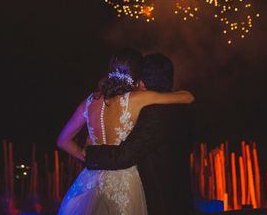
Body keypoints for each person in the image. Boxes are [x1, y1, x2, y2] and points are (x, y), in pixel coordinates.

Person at [56, 49, 194, 215]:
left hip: (90, 180)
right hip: (124, 181)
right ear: (137, 76)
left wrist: (86, 154)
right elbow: (186, 97)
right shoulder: (137, 99)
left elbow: (63, 140)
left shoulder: (90, 101)